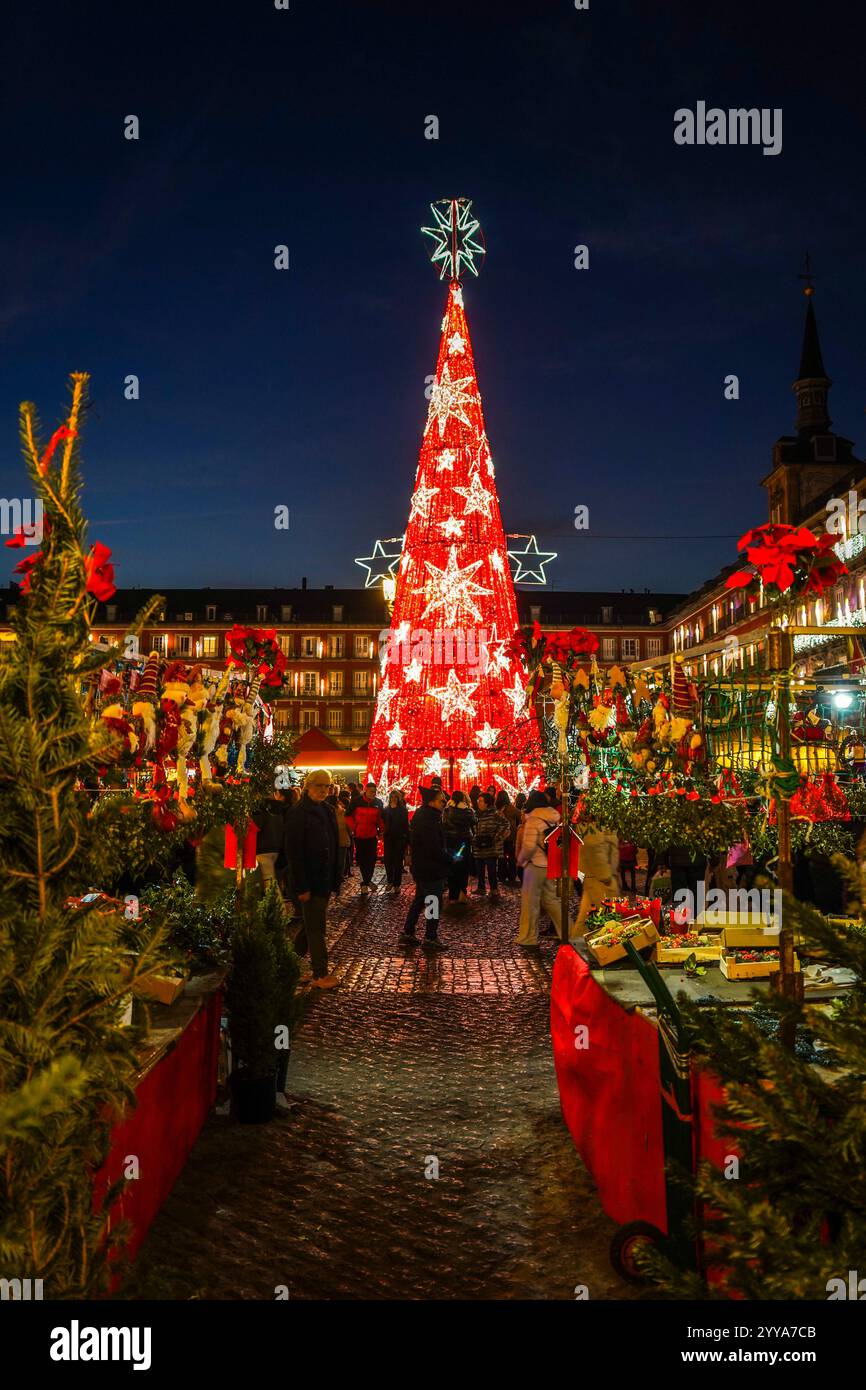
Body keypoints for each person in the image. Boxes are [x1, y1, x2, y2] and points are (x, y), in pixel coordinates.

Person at [285, 769, 341, 989]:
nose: (323, 790)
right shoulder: (298, 813)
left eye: (327, 786)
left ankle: (289, 964)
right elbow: (294, 853)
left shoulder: (327, 810)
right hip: (309, 882)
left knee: (311, 926)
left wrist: (336, 879)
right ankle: (320, 974)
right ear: (308, 786)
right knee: (317, 928)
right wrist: (301, 886)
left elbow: (333, 845)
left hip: (324, 880)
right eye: (319, 785)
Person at [399, 785, 451, 951]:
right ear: (431, 802)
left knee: (420, 900)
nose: (444, 801)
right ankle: (430, 936)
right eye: (441, 799)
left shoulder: (427, 816)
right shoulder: (428, 819)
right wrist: (448, 858)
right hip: (431, 868)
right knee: (433, 902)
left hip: (424, 867)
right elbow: (433, 847)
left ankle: (408, 932)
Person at [515, 789, 567, 948]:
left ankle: (528, 937)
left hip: (535, 865)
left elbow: (529, 847)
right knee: (552, 901)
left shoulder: (533, 820)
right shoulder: (555, 817)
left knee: (530, 903)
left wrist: (521, 860)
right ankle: (568, 933)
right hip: (552, 863)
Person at [574, 816, 620, 935]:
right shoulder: (592, 826)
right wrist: (606, 876)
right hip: (599, 878)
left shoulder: (599, 824)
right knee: (604, 920)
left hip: (598, 877)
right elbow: (594, 849)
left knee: (588, 918)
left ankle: (574, 946)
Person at [347, 781, 384, 892]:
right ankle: (366, 882)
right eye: (371, 791)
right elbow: (348, 816)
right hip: (359, 835)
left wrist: (382, 830)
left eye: (375, 792)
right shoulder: (356, 801)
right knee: (362, 859)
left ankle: (366, 882)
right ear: (366, 791)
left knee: (372, 859)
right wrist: (354, 828)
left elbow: (380, 819)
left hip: (372, 835)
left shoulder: (378, 803)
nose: (373, 793)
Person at [472, 792, 508, 897]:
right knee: (480, 869)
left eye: (481, 801)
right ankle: (481, 887)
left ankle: (494, 889)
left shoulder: (495, 814)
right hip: (479, 846)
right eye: (478, 801)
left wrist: (497, 837)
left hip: (491, 847)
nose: (478, 803)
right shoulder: (476, 814)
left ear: (487, 803)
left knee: (492, 869)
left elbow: (505, 824)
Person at [442, 789, 475, 903]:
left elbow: (443, 824)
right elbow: (474, 821)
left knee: (452, 866)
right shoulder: (468, 811)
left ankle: (452, 895)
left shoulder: (446, 811)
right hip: (464, 842)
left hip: (451, 841)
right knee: (463, 867)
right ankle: (462, 892)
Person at [254, 790, 289, 884]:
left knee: (269, 881)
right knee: (272, 879)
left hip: (263, 848)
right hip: (276, 847)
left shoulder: (260, 808)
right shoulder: (279, 808)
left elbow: (257, 827)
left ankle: (275, 898)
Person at [382, 790, 410, 890]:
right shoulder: (386, 810)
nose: (393, 799)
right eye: (392, 797)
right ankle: (390, 881)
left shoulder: (402, 810)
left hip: (399, 838)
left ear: (398, 798)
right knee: (388, 861)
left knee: (398, 862)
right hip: (388, 838)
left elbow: (406, 825)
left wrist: (407, 839)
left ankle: (397, 884)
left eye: (395, 797)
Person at [496, 790, 519, 884]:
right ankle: (512, 876)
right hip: (510, 836)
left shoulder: (496, 809)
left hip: (500, 836)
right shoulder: (511, 808)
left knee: (501, 858)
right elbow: (520, 816)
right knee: (512, 858)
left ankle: (501, 875)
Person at [334, 792, 352, 882]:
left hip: (335, 839)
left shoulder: (331, 813)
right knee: (342, 858)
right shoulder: (342, 812)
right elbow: (348, 826)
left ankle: (339, 875)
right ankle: (340, 875)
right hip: (343, 839)